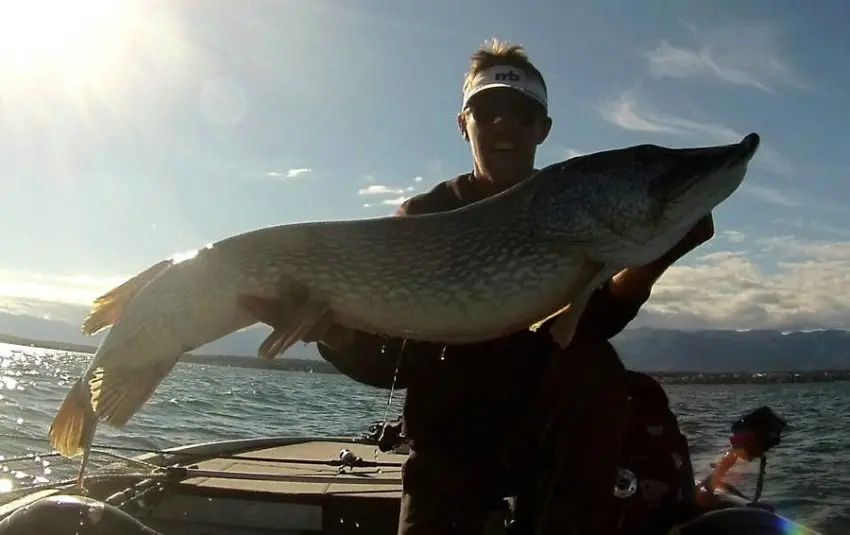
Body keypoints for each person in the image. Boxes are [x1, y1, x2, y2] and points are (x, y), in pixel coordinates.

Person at [253, 39, 715, 535]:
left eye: (520, 112)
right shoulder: (423, 218)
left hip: (551, 444)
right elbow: (394, 364)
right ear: (463, 124)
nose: (503, 122)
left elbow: (590, 323)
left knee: (595, 365)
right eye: (487, 109)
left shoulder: (577, 208)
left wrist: (656, 255)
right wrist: (334, 333)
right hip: (449, 446)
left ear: (543, 128)